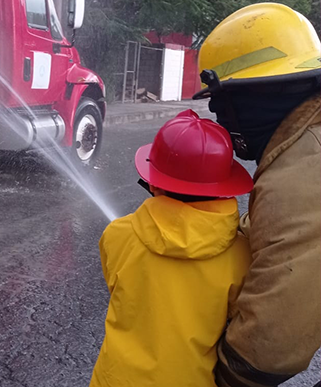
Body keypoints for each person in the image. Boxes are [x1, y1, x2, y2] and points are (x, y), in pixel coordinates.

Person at [192, 3, 321, 387]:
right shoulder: (304, 143)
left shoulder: (304, 172)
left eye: (222, 102)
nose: (219, 116)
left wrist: (218, 378)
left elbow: (270, 346)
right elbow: (291, 231)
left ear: (259, 94)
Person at [90, 109, 253, 386]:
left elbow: (119, 289)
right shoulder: (242, 256)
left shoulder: (117, 234)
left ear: (153, 181)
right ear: (221, 187)